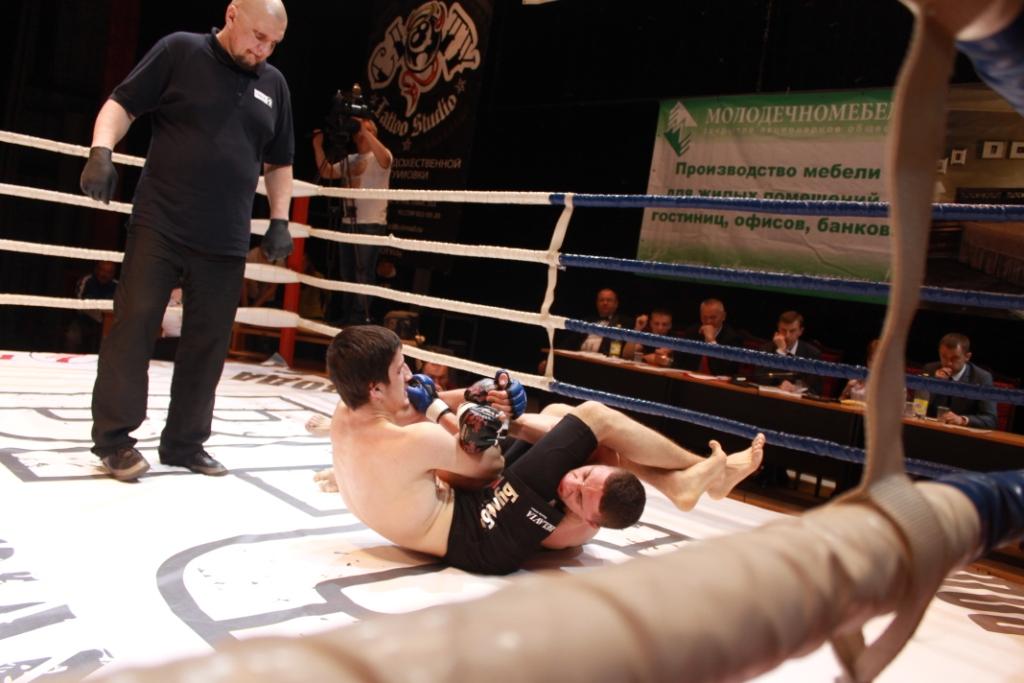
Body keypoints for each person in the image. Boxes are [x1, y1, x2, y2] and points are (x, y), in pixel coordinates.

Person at [325, 325, 765, 575]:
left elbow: (408, 409)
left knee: (557, 414)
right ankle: (698, 470)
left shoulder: (347, 415)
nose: (410, 375)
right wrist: (453, 409)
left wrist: (475, 394)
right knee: (594, 421)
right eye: (401, 370)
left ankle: (683, 482)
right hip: (482, 533)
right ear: (376, 387)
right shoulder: (413, 442)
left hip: (463, 516)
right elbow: (489, 461)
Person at [78, 0, 295, 482]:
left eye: (273, 43)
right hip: (162, 224)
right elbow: (122, 103)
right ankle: (114, 441)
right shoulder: (180, 51)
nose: (263, 50)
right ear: (233, 14)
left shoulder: (274, 84)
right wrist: (101, 151)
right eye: (258, 36)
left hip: (226, 237)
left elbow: (280, 161)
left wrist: (279, 219)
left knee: (209, 342)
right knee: (135, 327)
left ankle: (185, 442)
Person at [312, 116, 393, 325]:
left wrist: (365, 129)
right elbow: (327, 172)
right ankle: (347, 316)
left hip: (371, 223)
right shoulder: (351, 159)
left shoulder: (380, 156)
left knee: (363, 272)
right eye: (358, 131)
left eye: (367, 130)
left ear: (374, 134)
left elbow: (386, 159)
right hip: (348, 222)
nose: (361, 134)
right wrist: (317, 145)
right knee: (347, 273)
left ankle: (358, 319)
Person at [922, 333, 998, 429]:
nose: (948, 363)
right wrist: (935, 384)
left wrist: (962, 420)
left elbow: (990, 419)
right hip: (931, 430)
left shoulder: (981, 378)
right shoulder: (930, 369)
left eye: (955, 358)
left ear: (967, 357)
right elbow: (917, 407)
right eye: (944, 357)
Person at [678, 298, 744, 376]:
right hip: (690, 379)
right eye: (704, 317)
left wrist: (711, 341)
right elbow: (680, 363)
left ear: (723, 316)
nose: (708, 322)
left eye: (713, 317)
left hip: (716, 382)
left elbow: (726, 371)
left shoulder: (733, 338)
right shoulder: (692, 332)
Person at [64, 260, 118, 353]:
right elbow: (79, 302)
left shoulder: (118, 286)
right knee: (72, 337)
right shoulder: (86, 281)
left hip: (108, 324)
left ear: (113, 274)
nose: (104, 274)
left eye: (109, 272)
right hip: (83, 320)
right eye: (102, 270)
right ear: (96, 270)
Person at [770, 310, 822, 394]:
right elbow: (761, 379)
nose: (787, 335)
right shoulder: (766, 348)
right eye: (783, 330)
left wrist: (796, 388)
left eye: (792, 331)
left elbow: (816, 389)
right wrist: (781, 352)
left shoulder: (812, 354)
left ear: (800, 331)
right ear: (778, 329)